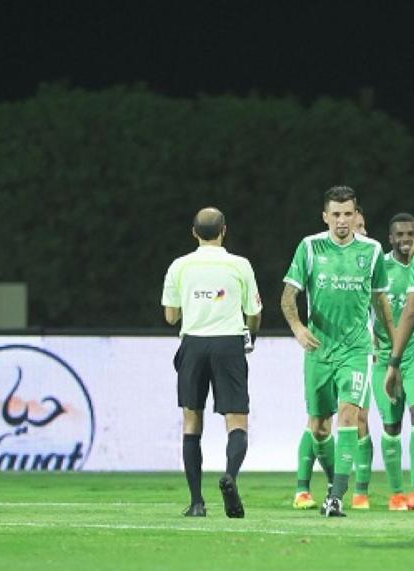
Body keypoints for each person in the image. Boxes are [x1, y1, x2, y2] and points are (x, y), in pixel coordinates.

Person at [282, 186, 394, 517]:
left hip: (356, 349)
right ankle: (334, 481)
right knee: (318, 427)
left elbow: (380, 299)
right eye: (336, 214)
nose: (342, 220)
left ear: (355, 215)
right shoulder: (310, 247)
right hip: (319, 349)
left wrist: (392, 343)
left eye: (348, 214)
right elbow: (288, 295)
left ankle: (336, 497)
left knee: (349, 415)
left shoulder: (372, 250)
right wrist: (298, 328)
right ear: (325, 216)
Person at [161, 207, 262, 518]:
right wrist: (250, 337)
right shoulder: (240, 265)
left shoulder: (179, 266)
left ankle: (196, 502)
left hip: (193, 343)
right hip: (228, 342)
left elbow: (171, 316)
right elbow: (254, 312)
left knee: (192, 421)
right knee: (236, 420)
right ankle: (230, 476)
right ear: (224, 231)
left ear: (194, 232)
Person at [370, 213, 414, 511]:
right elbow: (364, 305)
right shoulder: (379, 267)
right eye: (400, 235)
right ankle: (396, 493)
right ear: (391, 238)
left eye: (411, 234)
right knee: (391, 426)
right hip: (385, 358)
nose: (406, 240)